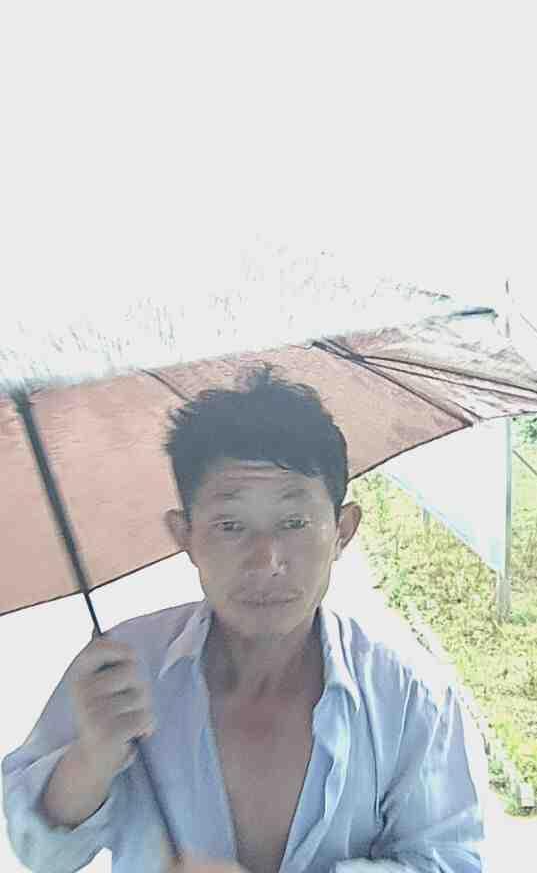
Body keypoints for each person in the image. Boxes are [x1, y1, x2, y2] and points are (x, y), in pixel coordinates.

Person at [2, 366, 487, 873]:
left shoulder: (408, 696)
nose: (265, 560)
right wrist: (91, 759)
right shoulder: (124, 670)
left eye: (294, 522)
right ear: (185, 536)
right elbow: (42, 852)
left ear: (343, 530)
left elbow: (450, 861)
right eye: (230, 525)